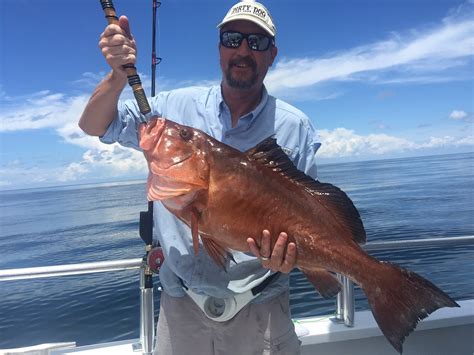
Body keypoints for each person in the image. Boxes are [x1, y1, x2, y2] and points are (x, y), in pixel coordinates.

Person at [79, 1, 320, 354]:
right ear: (220, 47)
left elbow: (311, 212)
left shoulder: (293, 126)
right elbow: (94, 125)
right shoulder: (174, 107)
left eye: (257, 42)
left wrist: (292, 257)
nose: (242, 50)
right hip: (180, 309)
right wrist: (117, 76)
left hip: (262, 309)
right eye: (232, 38)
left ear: (273, 54)